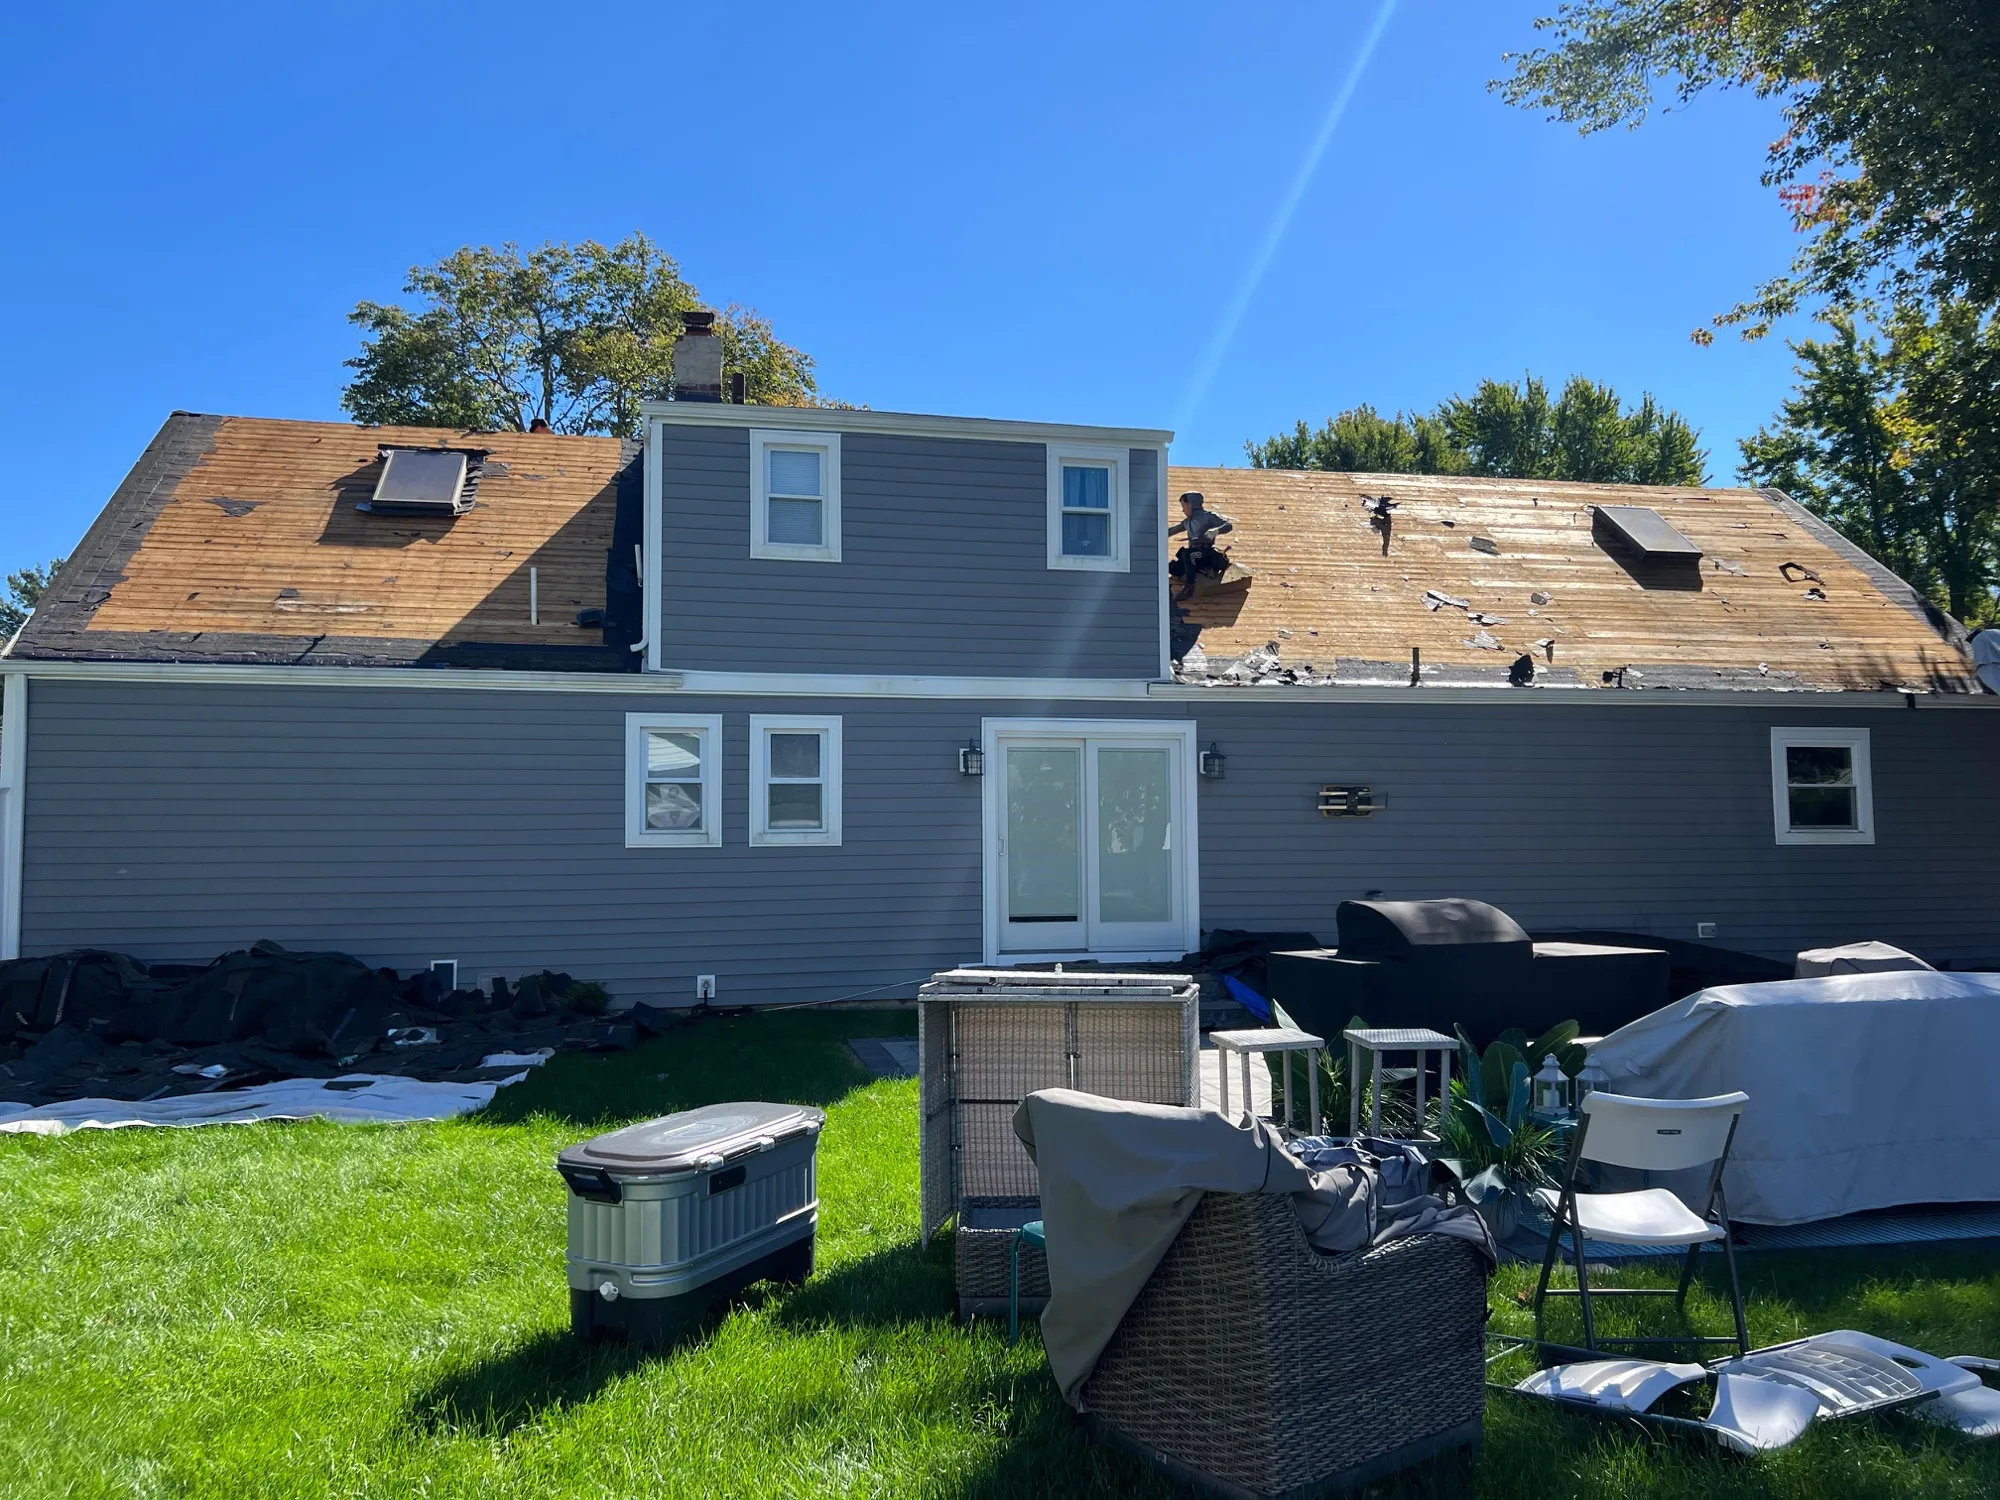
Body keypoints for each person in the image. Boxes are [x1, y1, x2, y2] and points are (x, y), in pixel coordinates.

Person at [1167, 491, 1234, 600]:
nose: (1183, 510)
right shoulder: (1187, 522)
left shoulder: (1208, 516)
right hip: (1193, 556)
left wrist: (1216, 531)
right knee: (1173, 567)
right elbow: (1172, 530)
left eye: (1184, 506)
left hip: (1206, 554)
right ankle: (1198, 571)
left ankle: (1189, 588)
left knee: (1189, 554)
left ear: (1191, 505)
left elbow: (1228, 525)